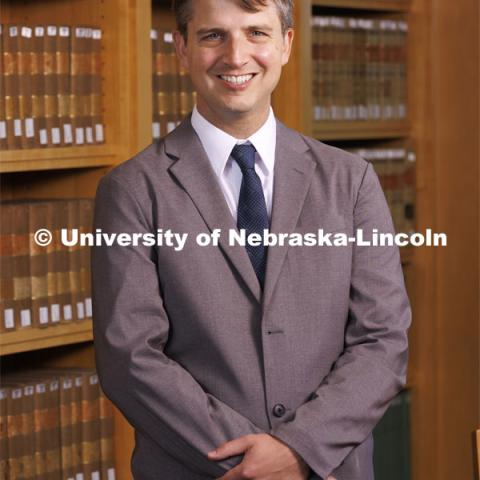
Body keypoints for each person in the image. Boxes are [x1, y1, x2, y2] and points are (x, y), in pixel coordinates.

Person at [91, 0, 411, 479]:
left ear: (286, 44)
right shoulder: (133, 190)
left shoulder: (351, 181)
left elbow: (382, 340)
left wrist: (298, 449)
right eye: (213, 36)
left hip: (327, 469)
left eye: (257, 33)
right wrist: (250, 463)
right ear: (180, 49)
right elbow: (130, 358)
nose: (236, 56)